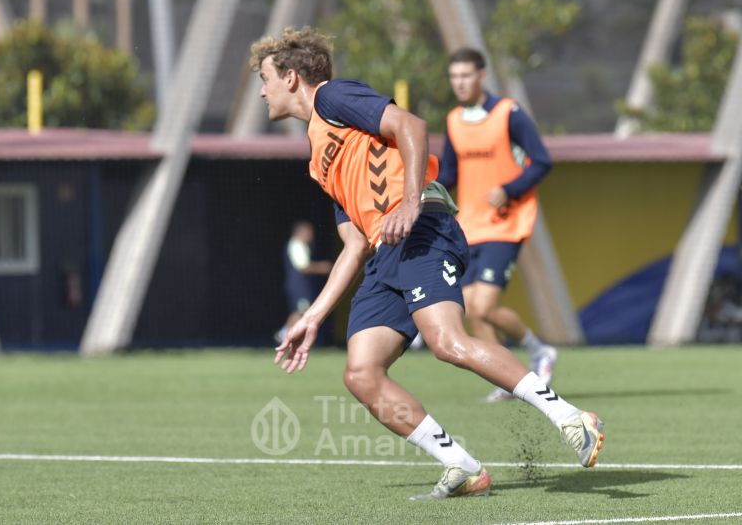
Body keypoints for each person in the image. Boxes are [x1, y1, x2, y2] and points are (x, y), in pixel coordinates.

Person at [250, 27, 604, 501]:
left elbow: (411, 127)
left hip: (422, 231)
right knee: (361, 373)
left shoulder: (333, 97)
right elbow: (353, 247)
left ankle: (571, 418)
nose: (261, 90)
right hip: (384, 254)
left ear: (292, 77)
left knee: (447, 342)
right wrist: (312, 318)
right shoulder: (318, 160)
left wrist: (411, 202)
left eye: (265, 77)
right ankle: (461, 466)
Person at [439, 48, 557, 403]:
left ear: (481, 76)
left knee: (485, 306)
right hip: (468, 226)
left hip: (504, 225)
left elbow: (541, 161)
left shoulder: (509, 114)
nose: (459, 82)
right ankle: (508, 381)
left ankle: (540, 352)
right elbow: (449, 174)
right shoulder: (454, 121)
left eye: (466, 75)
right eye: (454, 76)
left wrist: (509, 189)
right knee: (471, 309)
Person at [275, 220, 333, 343]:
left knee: (301, 310)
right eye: (308, 232)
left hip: (299, 284)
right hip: (298, 285)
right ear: (300, 232)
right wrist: (323, 267)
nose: (311, 235)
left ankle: (287, 335)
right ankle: (284, 334)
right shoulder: (296, 244)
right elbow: (303, 266)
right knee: (301, 311)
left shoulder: (301, 245)